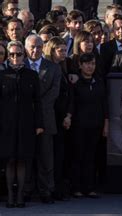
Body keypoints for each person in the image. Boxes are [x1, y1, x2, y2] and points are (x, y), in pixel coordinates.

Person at [0, 41, 44, 208]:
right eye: (11, 54)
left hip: (27, 123)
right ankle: (10, 196)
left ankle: (20, 196)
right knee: (10, 160)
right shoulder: (2, 75)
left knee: (22, 160)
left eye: (18, 54)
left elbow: (38, 102)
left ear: (24, 55)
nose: (15, 57)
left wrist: (39, 124)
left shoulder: (31, 75)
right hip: (7, 125)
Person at [23, 34, 62, 205]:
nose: (35, 50)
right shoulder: (19, 65)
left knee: (46, 157)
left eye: (39, 46)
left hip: (46, 117)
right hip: (24, 118)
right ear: (26, 48)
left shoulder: (53, 68)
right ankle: (26, 190)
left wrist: (37, 107)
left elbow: (54, 93)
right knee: (26, 157)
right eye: (32, 46)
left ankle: (46, 190)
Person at [70, 53, 108, 199]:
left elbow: (104, 103)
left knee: (91, 156)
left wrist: (106, 124)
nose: (90, 66)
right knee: (78, 155)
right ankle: (76, 188)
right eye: (86, 63)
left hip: (96, 124)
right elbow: (71, 103)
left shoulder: (98, 81)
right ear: (80, 65)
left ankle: (90, 187)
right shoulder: (75, 81)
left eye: (92, 63)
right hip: (78, 125)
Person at [43, 36, 72, 201]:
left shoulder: (64, 68)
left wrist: (68, 114)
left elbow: (68, 95)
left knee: (61, 155)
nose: (63, 53)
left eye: (65, 50)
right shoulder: (50, 69)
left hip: (64, 118)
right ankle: (52, 188)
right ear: (52, 51)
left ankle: (59, 187)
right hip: (53, 117)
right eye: (60, 50)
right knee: (52, 155)